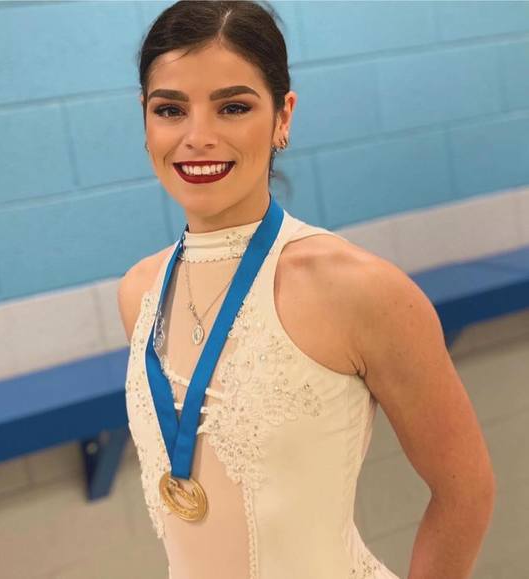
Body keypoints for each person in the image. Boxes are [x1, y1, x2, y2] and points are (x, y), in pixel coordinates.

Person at [117, 2, 496, 578]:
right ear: (145, 121)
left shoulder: (357, 289)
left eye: (233, 107)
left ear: (282, 117)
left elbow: (466, 491)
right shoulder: (139, 293)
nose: (198, 137)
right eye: (170, 110)